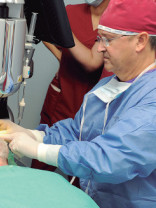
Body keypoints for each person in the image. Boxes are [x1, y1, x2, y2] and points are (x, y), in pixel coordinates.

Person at [0, 0, 156, 207]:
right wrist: (33, 135)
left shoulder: (151, 100)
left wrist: (38, 150)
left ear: (140, 41)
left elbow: (109, 159)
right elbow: (77, 132)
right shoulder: (107, 86)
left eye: (108, 40)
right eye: (99, 39)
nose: (99, 48)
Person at [32, 0, 111, 178]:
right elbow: (46, 33)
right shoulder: (70, 12)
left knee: (79, 165)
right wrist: (62, 57)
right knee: (41, 155)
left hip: (89, 99)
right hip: (61, 94)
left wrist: (65, 32)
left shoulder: (115, 19)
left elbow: (92, 63)